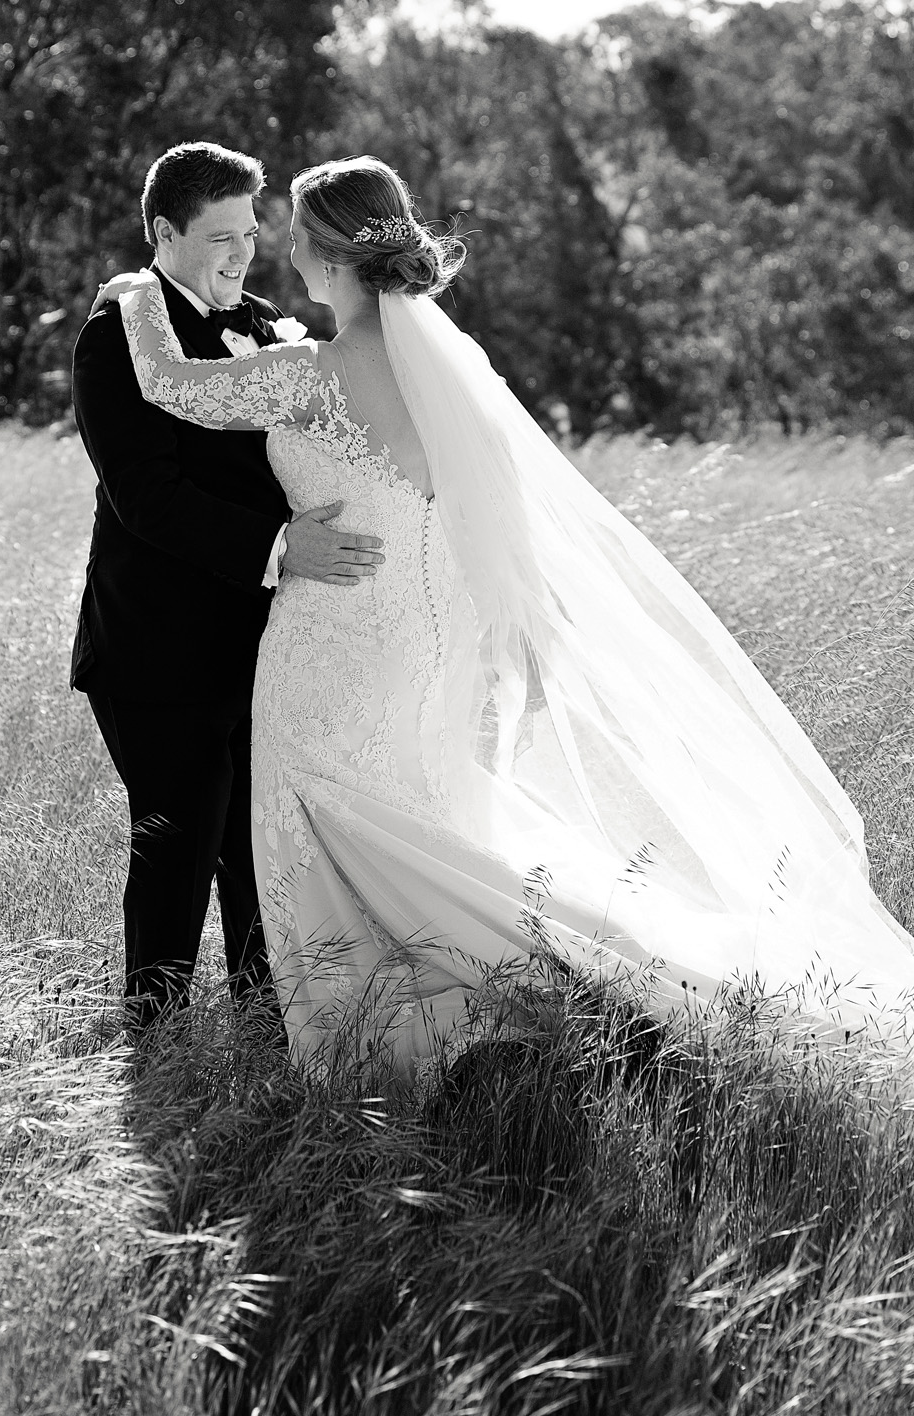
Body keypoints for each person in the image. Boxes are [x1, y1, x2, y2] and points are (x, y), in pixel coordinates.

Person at [94, 155, 914, 1068]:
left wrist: (132, 293)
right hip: (422, 642)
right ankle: (565, 987)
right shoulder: (450, 376)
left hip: (333, 643)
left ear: (328, 250)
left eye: (283, 230)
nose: (273, 248)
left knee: (332, 829)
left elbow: (169, 384)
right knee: (426, 823)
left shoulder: (309, 372)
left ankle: (420, 1023)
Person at [70, 141, 383, 1037]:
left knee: (259, 851)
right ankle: (156, 1037)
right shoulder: (117, 333)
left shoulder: (266, 325)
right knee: (177, 847)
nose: (243, 253)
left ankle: (266, 1028)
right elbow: (147, 496)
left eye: (250, 232)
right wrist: (284, 546)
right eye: (220, 236)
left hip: (266, 644)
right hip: (155, 648)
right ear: (164, 233)